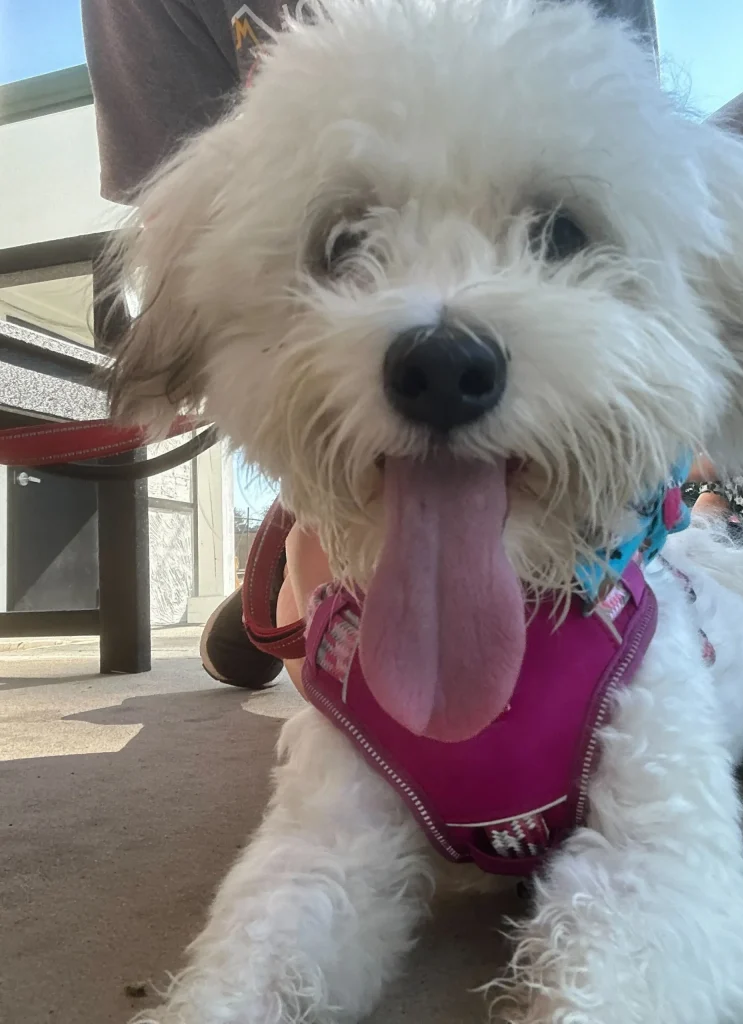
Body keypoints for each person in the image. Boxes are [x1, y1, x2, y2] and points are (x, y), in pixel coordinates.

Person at [83, 0, 662, 691]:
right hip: (356, 448)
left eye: (554, 239)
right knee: (350, 688)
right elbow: (195, 258)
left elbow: (655, 195)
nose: (446, 348)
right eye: (347, 246)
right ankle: (287, 568)